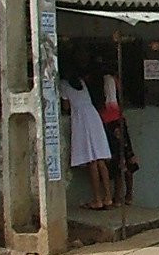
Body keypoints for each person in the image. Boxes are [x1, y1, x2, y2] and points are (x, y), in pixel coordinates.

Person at [59, 64, 113, 210]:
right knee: (100, 159)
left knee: (92, 161)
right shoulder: (81, 82)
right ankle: (108, 197)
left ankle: (97, 199)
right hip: (93, 116)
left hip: (81, 119)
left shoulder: (63, 84)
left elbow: (66, 106)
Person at [97, 67, 138, 205]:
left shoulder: (102, 81)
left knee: (118, 159)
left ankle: (120, 196)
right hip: (117, 118)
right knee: (125, 156)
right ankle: (127, 195)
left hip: (109, 120)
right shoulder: (113, 80)